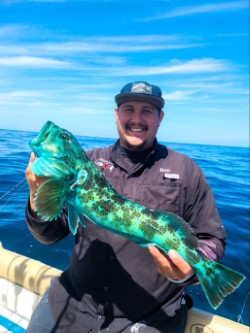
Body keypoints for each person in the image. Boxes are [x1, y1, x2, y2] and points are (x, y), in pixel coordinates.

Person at [25, 81, 226, 333]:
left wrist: (188, 273)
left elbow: (211, 238)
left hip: (149, 316)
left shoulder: (187, 171)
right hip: (75, 301)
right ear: (116, 114)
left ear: (160, 117)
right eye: (128, 109)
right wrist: (36, 192)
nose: (136, 118)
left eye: (147, 111)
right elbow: (48, 235)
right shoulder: (88, 161)